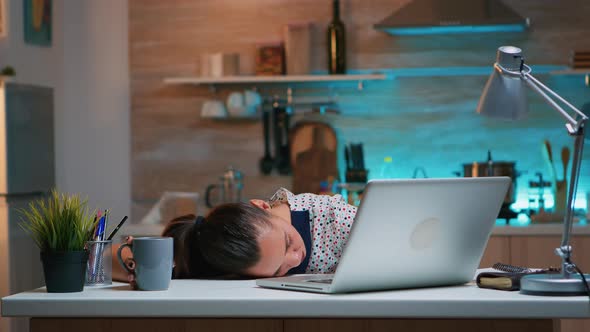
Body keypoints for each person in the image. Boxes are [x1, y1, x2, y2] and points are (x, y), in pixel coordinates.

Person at [113, 187, 357, 285]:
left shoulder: (333, 218)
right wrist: (138, 262)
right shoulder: (220, 257)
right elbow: (107, 258)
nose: (294, 259)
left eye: (287, 241)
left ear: (263, 206)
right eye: (277, 271)